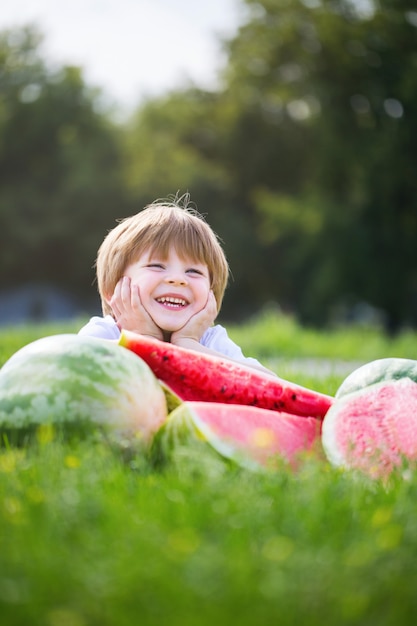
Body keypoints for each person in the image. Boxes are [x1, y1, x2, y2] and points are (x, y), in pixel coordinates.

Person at [79, 195, 274, 374]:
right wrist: (145, 340)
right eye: (156, 266)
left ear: (211, 292)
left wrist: (189, 345)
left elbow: (274, 385)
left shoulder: (209, 340)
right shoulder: (104, 333)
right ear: (112, 290)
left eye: (193, 271)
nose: (178, 279)